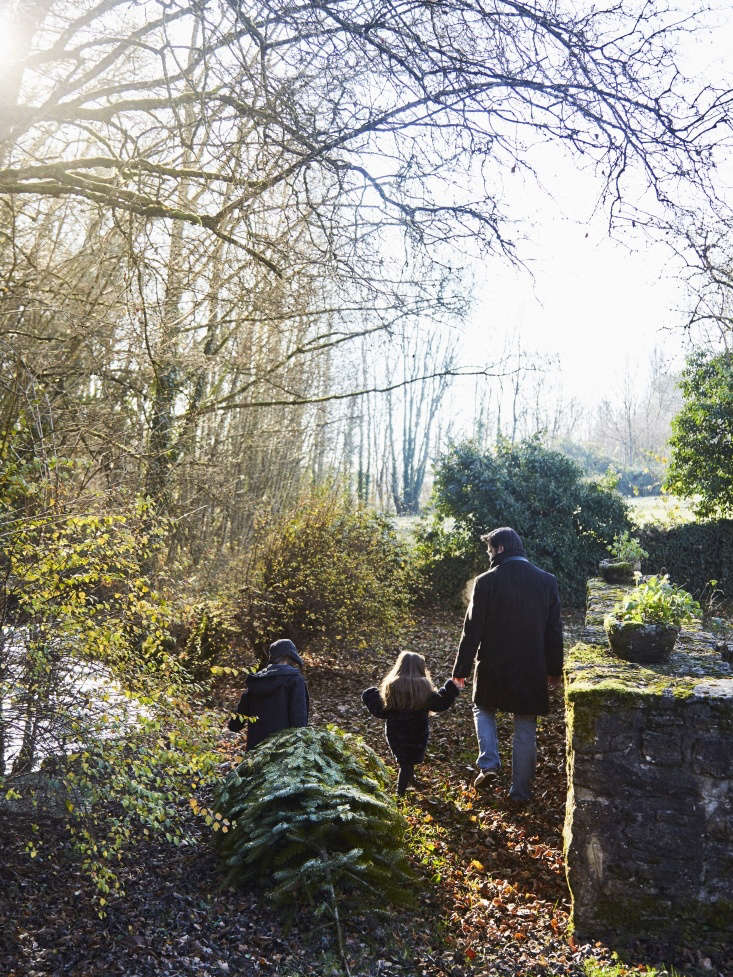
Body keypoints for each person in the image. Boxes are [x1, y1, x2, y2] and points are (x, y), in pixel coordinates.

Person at [451, 527, 563, 804]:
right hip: (532, 667)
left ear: (500, 548)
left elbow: (472, 630)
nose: (489, 555)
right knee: (525, 725)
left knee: (482, 708)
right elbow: (554, 631)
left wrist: (461, 670)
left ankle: (489, 764)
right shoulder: (547, 581)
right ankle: (520, 792)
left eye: (490, 550)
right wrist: (554, 669)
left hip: (493, 665)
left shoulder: (486, 581)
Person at [362, 650, 460, 796]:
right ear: (421, 667)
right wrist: (450, 688)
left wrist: (370, 696)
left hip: (396, 732)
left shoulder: (392, 685)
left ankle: (411, 780)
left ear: (400, 666)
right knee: (408, 762)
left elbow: (381, 711)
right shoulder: (424, 686)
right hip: (417, 732)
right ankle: (399, 794)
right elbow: (439, 704)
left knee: (405, 761)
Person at [228, 638, 309, 750]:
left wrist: (234, 725)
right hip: (283, 748)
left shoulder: (258, 680)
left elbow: (237, 722)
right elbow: (298, 716)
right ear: (290, 657)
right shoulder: (295, 680)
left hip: (256, 748)